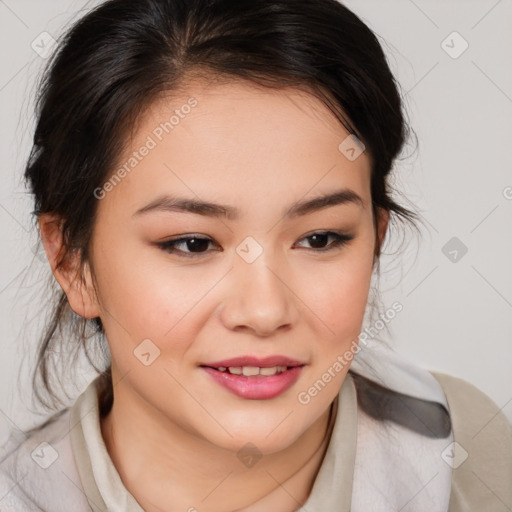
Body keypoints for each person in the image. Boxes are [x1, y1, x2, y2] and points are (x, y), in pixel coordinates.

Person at [0, 0, 511, 510]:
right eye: (192, 244)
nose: (265, 311)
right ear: (72, 262)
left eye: (320, 238)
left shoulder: (460, 446)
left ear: (375, 239)